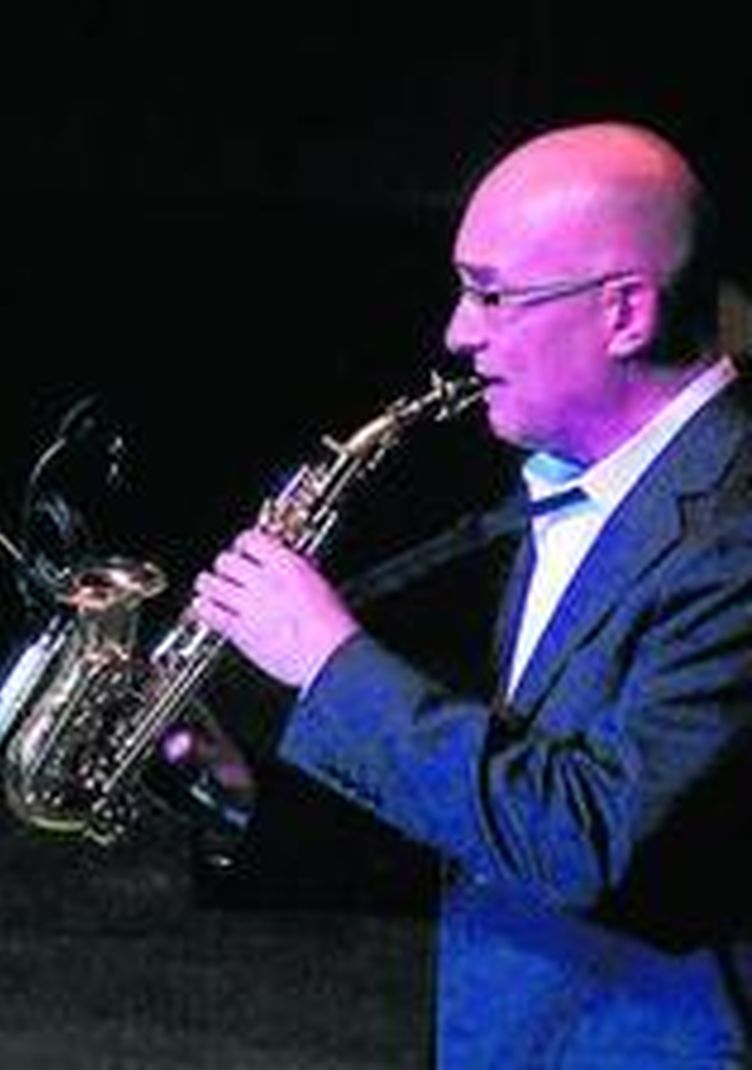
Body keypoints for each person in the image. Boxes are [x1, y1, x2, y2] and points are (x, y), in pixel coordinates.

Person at [192, 120, 752, 1065]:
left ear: (625, 312)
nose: (458, 333)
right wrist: (247, 801)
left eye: (492, 295)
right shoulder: (581, 490)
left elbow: (597, 843)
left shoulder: (735, 529)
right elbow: (506, 837)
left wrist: (331, 664)